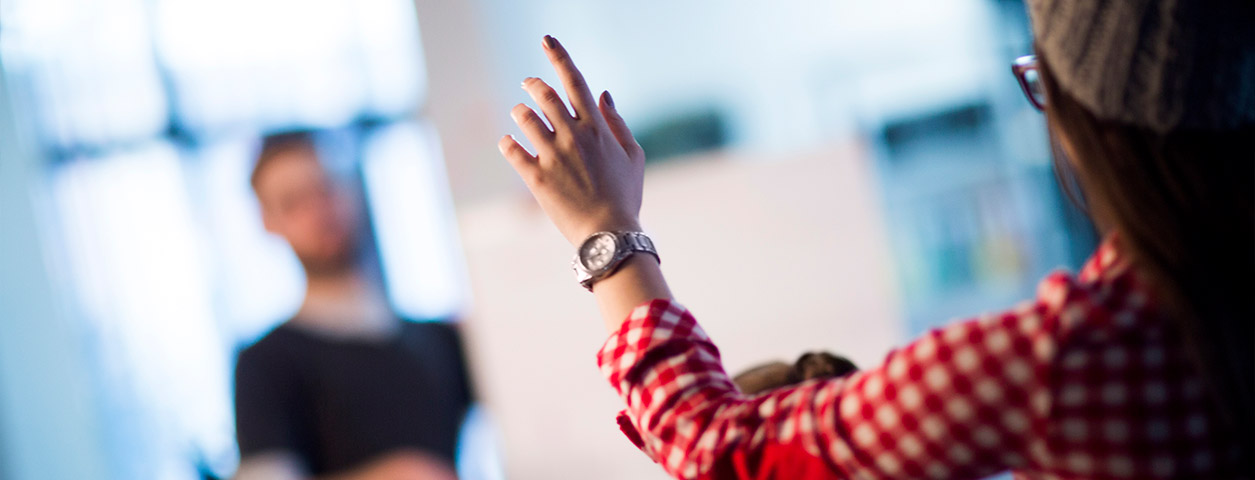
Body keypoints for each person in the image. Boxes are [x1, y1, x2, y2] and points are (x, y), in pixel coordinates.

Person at [496, 0, 1253, 477]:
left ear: (1092, 114)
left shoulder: (1070, 359)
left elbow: (723, 455)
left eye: (1041, 83)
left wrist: (605, 232)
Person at [233, 131, 472, 480]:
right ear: (269, 221)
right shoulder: (266, 363)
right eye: (292, 202)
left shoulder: (438, 339)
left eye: (325, 188)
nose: (318, 211)